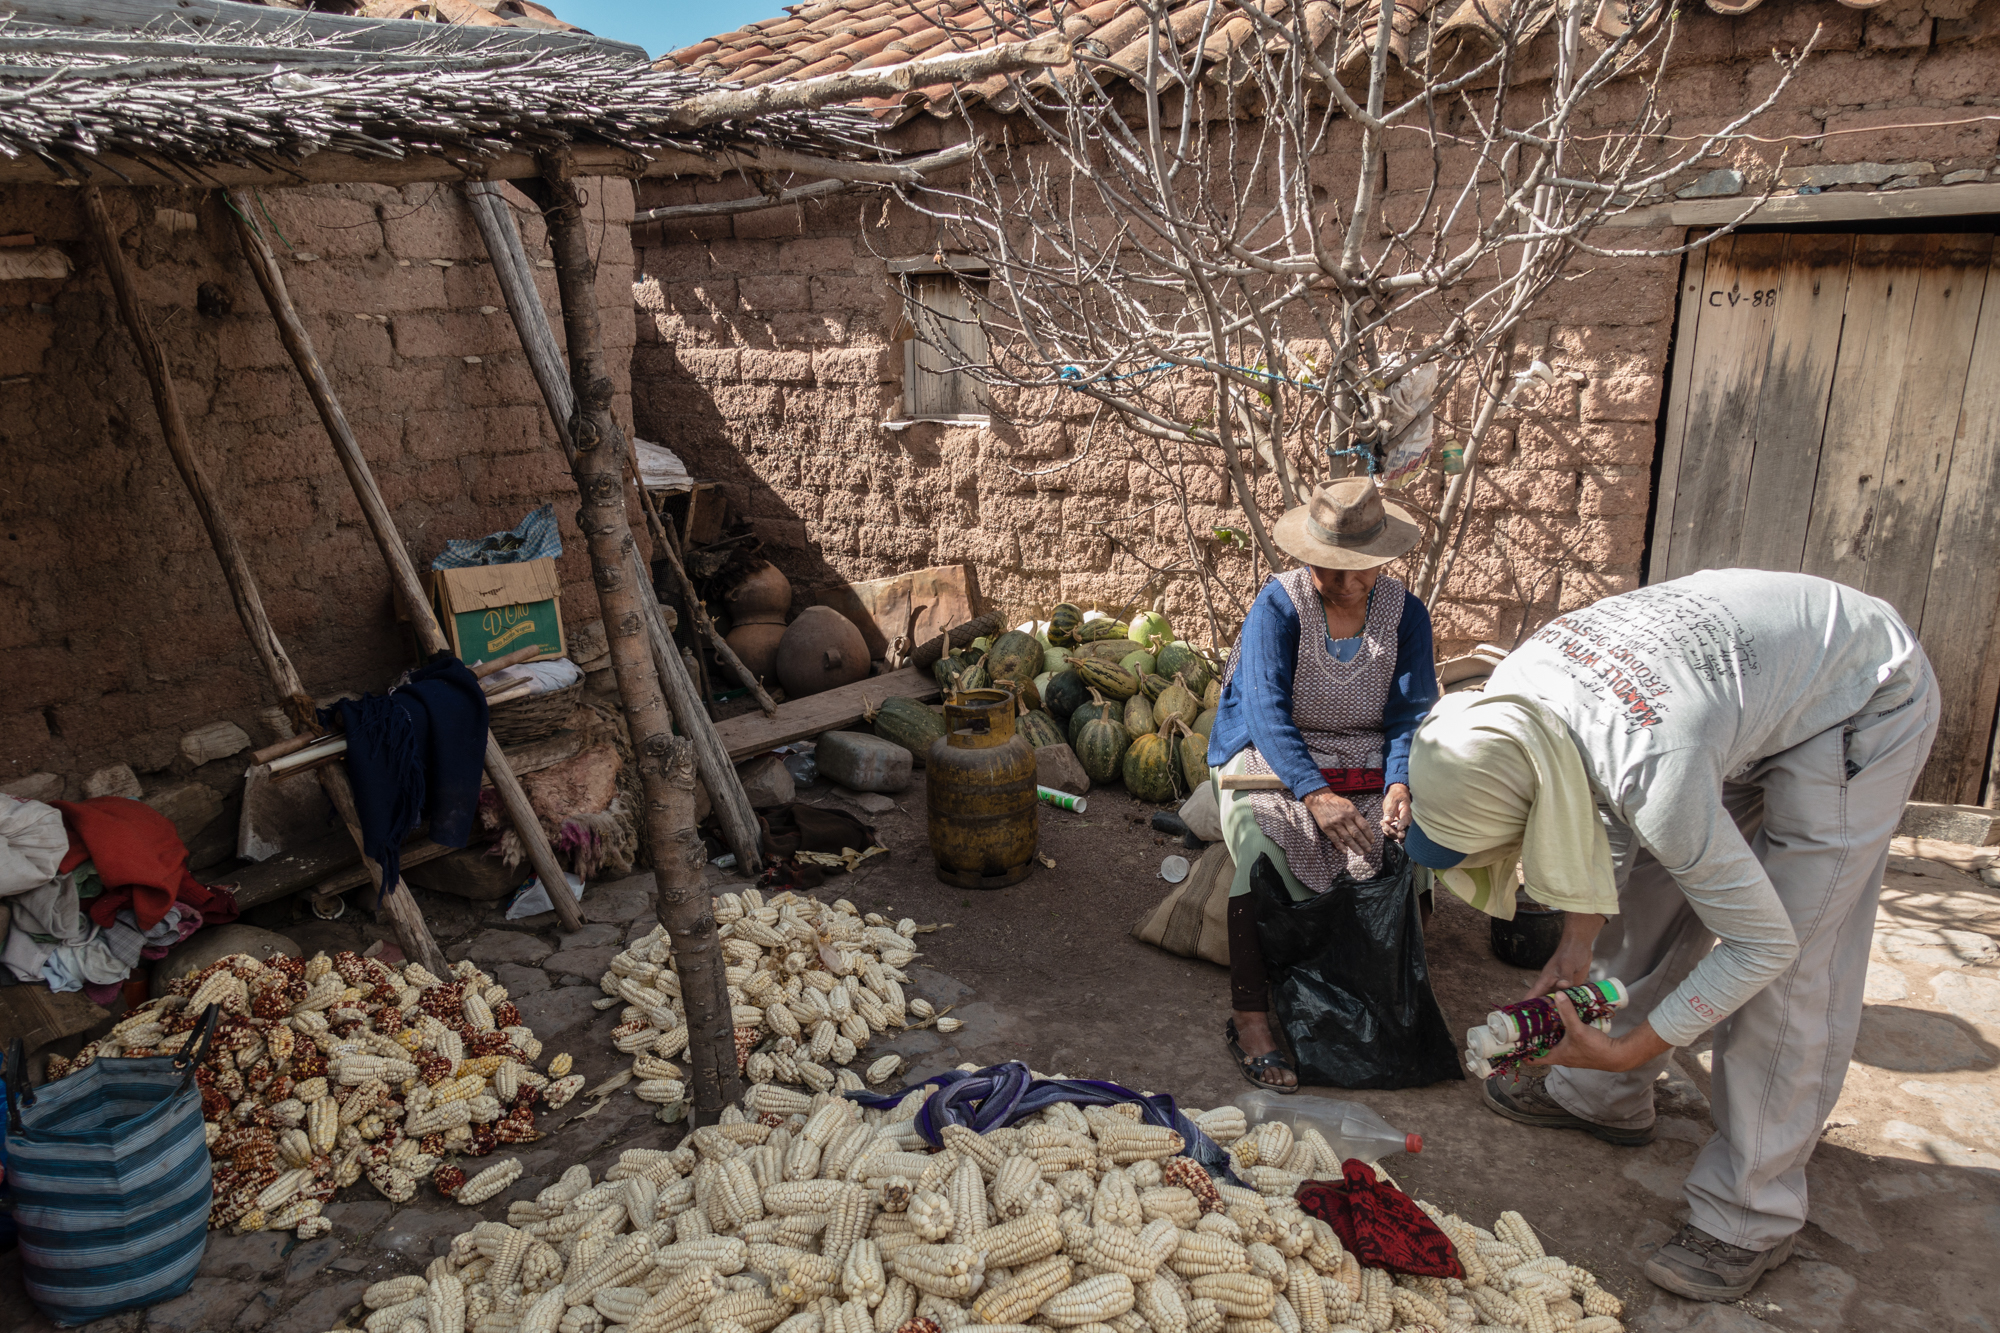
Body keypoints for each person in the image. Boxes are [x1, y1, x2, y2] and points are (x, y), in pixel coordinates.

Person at [1402, 569, 1939, 1302]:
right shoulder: (1513, 699)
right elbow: (1591, 807)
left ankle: (1749, 1211)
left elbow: (1760, 945)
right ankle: (1598, 1094)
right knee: (1645, 898)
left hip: (1857, 697)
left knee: (1789, 963)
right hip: (1715, 706)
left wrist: (1631, 1046)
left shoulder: (1655, 766)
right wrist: (1577, 942)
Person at [1206, 478, 1440, 1090]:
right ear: (1308, 555)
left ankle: (1380, 994)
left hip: (1365, 752)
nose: (1347, 581)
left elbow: (1410, 714)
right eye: (1332, 566)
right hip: (1271, 751)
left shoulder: (1406, 614)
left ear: (1383, 558)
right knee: (1261, 849)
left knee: (1402, 849)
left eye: (1361, 568)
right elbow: (1265, 712)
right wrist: (1314, 793)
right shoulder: (1278, 607)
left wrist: (1399, 783)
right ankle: (1250, 1018)